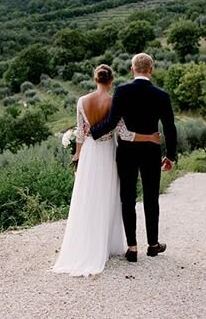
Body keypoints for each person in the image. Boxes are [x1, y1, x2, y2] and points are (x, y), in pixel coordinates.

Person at [52, 64, 160, 276]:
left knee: (88, 197)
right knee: (109, 196)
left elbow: (81, 135)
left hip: (90, 154)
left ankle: (86, 244)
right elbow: (125, 133)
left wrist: (77, 156)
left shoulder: (82, 101)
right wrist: (149, 137)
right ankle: (107, 244)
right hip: (108, 153)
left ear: (95, 79)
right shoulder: (114, 101)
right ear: (111, 81)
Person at [90, 53, 177, 262]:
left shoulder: (122, 91)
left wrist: (92, 132)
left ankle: (132, 247)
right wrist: (171, 156)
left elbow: (111, 122)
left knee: (127, 198)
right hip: (151, 151)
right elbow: (169, 128)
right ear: (151, 70)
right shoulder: (162, 95)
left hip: (127, 152)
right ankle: (153, 244)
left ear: (132, 70)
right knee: (151, 198)